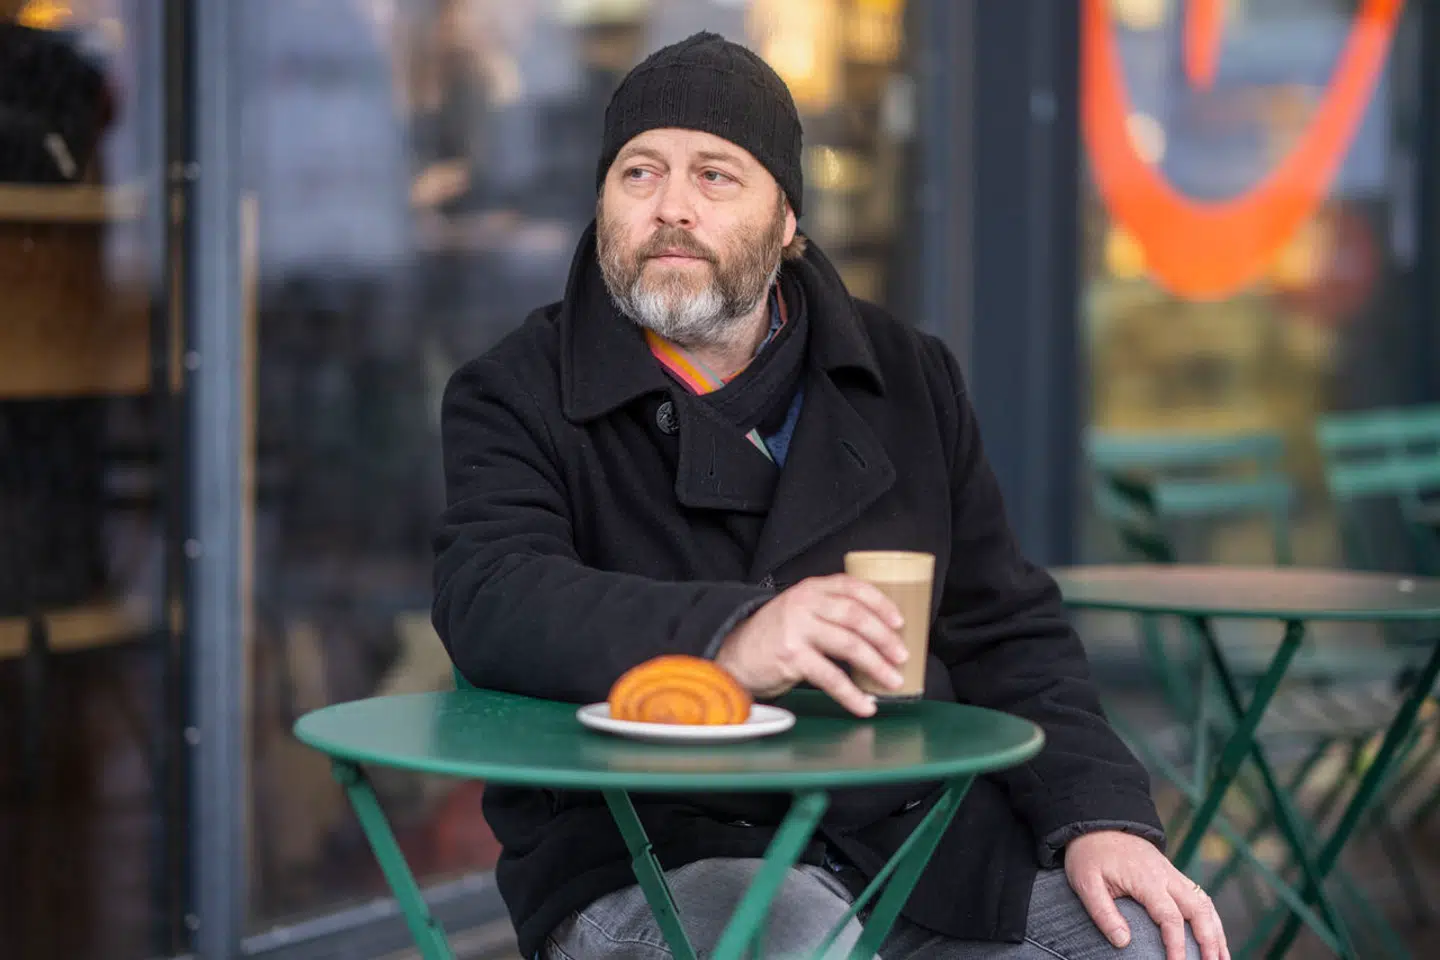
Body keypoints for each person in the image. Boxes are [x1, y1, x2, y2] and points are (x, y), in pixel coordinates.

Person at [433, 31, 1224, 960]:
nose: (671, 208)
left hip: (912, 841)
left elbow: (1005, 625)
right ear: (604, 205)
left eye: (716, 176)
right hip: (653, 850)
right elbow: (493, 595)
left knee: (1143, 938)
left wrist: (1099, 816)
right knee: (801, 937)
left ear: (787, 224)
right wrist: (733, 638)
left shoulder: (906, 376)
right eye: (639, 174)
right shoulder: (516, 388)